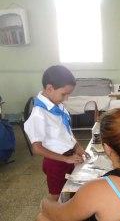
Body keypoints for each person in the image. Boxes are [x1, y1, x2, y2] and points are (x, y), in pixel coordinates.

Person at [37, 108, 120, 221]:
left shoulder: (99, 189)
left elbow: (60, 214)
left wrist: (45, 203)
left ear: (106, 147)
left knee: (43, 217)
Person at [24, 65, 87, 201]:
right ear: (49, 88)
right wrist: (65, 159)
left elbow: (66, 131)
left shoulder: (57, 106)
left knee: (69, 190)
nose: (66, 98)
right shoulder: (39, 114)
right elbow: (37, 148)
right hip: (55, 163)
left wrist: (78, 147)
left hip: (68, 157)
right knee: (56, 196)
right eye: (64, 94)